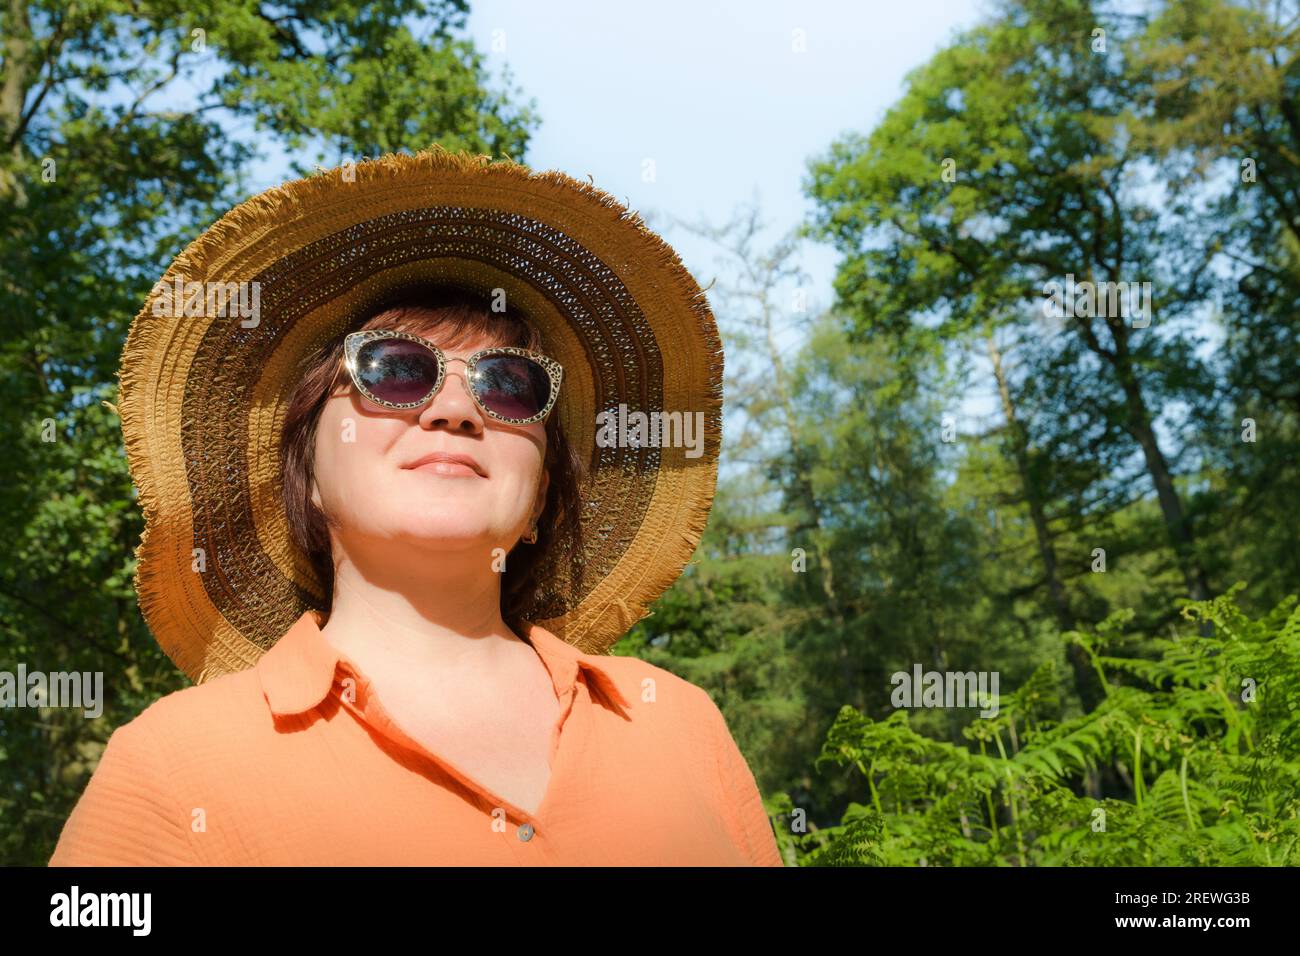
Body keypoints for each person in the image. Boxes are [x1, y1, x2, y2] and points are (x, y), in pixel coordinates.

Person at [48, 149, 783, 866]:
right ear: (305, 472)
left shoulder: (681, 725)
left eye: (510, 386)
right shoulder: (171, 770)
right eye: (394, 371)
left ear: (541, 501)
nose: (457, 409)